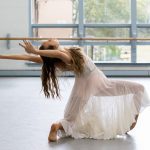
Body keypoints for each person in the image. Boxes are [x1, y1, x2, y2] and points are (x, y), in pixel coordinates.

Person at [0, 39, 150, 142]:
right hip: (96, 85)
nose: (51, 39)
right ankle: (56, 127)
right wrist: (35, 51)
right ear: (53, 49)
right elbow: (48, 55)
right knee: (138, 88)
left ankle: (130, 122)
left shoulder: (62, 55)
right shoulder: (64, 56)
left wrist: (2, 56)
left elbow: (28, 58)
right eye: (49, 42)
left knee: (139, 89)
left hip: (94, 85)